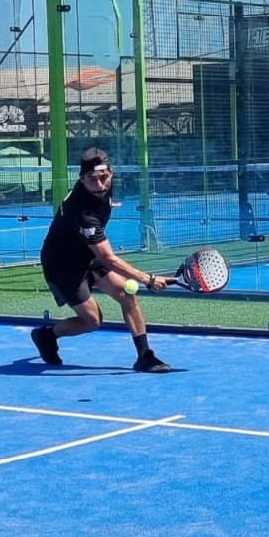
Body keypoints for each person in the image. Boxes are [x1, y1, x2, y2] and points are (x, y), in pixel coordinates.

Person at [31, 147, 174, 373]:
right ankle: (47, 335)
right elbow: (108, 258)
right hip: (63, 264)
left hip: (87, 252)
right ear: (81, 179)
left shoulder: (104, 185)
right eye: (92, 179)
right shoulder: (82, 211)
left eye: (103, 177)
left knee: (127, 295)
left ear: (111, 173)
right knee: (92, 321)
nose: (99, 185)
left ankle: (145, 356)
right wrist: (148, 279)